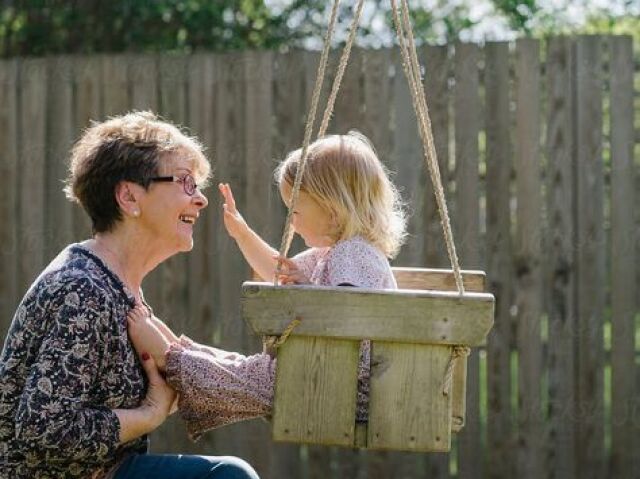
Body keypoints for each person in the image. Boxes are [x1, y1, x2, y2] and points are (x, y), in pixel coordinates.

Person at [0, 111, 259, 479]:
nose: (200, 200)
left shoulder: (117, 282)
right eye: (185, 182)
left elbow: (180, 374)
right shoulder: (83, 290)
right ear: (129, 197)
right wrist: (148, 415)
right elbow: (43, 428)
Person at [127, 131, 407, 441]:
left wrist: (308, 294)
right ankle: (180, 356)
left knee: (245, 377)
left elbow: (344, 318)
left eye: (296, 211)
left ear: (331, 211)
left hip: (340, 382)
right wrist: (242, 233)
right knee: (243, 372)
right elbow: (279, 272)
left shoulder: (353, 254)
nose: (292, 221)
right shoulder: (336, 253)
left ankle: (170, 358)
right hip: (321, 371)